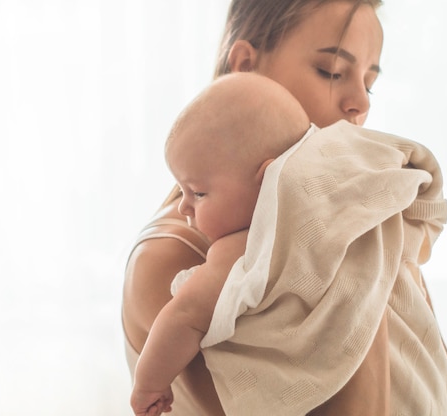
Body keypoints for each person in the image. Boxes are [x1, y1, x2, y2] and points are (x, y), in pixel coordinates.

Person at [122, 1, 447, 415]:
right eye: (332, 72)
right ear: (245, 66)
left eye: (369, 82)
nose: (360, 103)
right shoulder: (173, 261)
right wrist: (350, 247)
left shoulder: (370, 213)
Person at [130, 72, 312, 416]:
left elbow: (183, 317)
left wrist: (148, 385)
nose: (184, 206)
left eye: (198, 192)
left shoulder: (237, 250)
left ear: (267, 182)